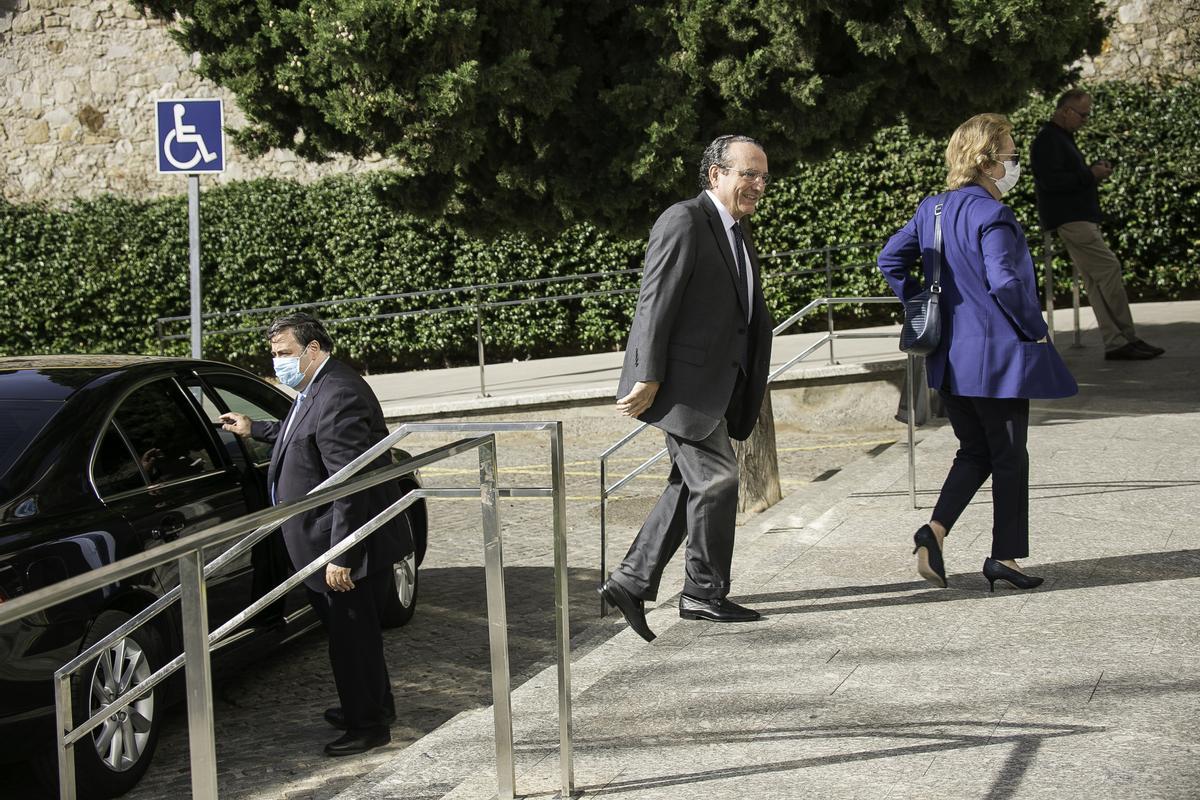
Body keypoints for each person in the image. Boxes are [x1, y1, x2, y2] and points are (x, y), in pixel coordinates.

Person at [878, 114, 1077, 592]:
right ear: (987, 162)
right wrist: (1036, 329)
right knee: (1009, 456)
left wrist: (923, 302)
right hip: (997, 358)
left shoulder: (933, 210)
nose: (1014, 163)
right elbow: (1006, 282)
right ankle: (1004, 557)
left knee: (975, 452)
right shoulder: (994, 215)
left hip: (947, 356)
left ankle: (935, 532)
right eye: (1009, 154)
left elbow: (889, 259)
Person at [598, 134, 775, 641]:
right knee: (717, 479)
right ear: (716, 174)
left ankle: (630, 581)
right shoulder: (684, 219)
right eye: (748, 174)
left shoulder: (739, 231)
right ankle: (701, 593)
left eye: (763, 176)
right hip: (680, 385)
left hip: (718, 385)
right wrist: (646, 375)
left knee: (691, 483)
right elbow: (655, 301)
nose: (757, 185)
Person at [220, 312, 411, 756]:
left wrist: (342, 553)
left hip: (340, 545)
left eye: (284, 353)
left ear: (312, 349)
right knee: (355, 637)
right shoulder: (317, 386)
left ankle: (368, 727)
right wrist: (256, 429)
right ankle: (371, 706)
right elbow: (302, 436)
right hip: (330, 541)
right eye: (273, 354)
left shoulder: (337, 393)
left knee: (352, 640)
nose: (278, 362)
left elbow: (349, 481)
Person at [1030, 89, 1164, 361]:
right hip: (1072, 219)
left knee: (1095, 280)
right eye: (1083, 114)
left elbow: (1060, 178)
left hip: (1076, 218)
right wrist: (1090, 174)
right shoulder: (1049, 140)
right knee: (1109, 269)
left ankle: (1118, 341)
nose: (1085, 120)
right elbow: (1050, 182)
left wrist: (1089, 173)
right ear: (1065, 110)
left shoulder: (1059, 139)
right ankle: (1125, 337)